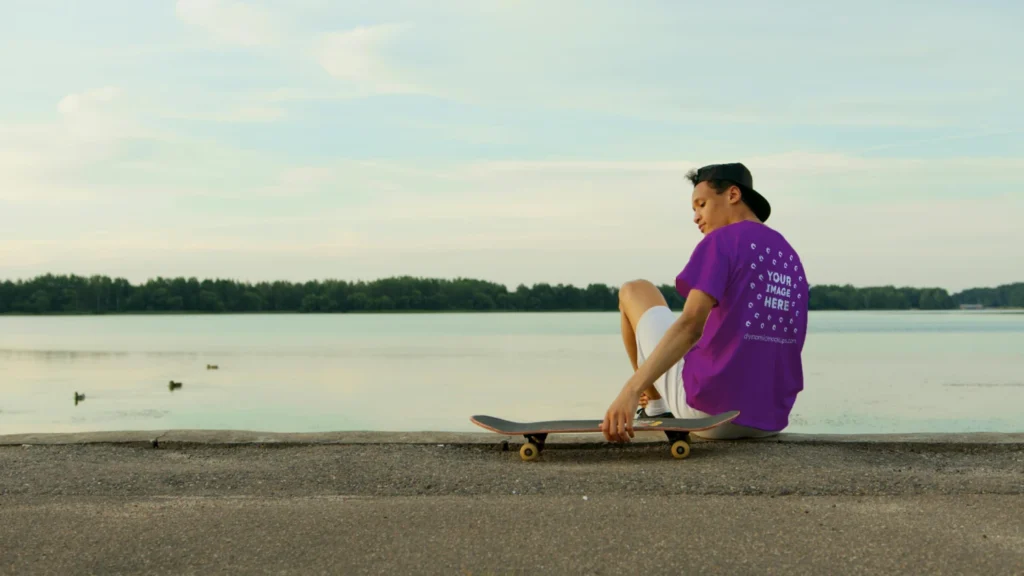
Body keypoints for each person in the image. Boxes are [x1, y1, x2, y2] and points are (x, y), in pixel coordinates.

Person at [600, 162, 808, 443]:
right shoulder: (789, 255)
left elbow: (690, 326)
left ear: (733, 195)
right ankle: (658, 402)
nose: (697, 217)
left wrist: (630, 390)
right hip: (770, 419)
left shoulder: (722, 241)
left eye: (701, 204)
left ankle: (655, 406)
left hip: (708, 414)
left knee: (634, 290)